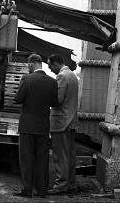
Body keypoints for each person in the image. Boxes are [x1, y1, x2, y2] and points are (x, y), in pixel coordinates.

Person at [13, 53, 58, 198]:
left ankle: (27, 190)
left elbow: (18, 99)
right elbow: (54, 103)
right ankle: (42, 191)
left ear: (31, 64)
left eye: (28, 65)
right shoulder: (52, 81)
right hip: (43, 126)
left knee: (26, 159)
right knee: (42, 159)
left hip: (27, 126)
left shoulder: (27, 79)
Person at [47, 54, 79, 195]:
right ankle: (70, 183)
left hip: (61, 121)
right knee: (70, 155)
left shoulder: (61, 76)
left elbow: (57, 100)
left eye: (50, 66)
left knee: (60, 155)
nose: (50, 69)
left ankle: (60, 185)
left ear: (56, 64)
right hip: (71, 121)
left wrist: (46, 96)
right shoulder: (72, 75)